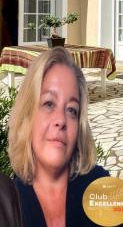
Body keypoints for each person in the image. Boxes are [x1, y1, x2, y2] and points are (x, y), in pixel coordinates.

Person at [8, 47, 109, 227]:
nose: (61, 120)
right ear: (27, 115)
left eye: (71, 110)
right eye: (48, 103)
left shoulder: (100, 188)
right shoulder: (8, 205)